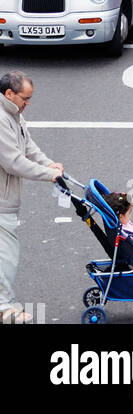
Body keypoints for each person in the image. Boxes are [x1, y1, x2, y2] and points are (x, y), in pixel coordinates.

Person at [0, 71, 64, 323]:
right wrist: (47, 174)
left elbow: (28, 147)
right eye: (25, 99)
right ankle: (4, 308)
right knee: (6, 255)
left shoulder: (13, 114)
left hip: (6, 199)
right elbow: (13, 162)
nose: (28, 104)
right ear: (9, 94)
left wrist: (51, 165)